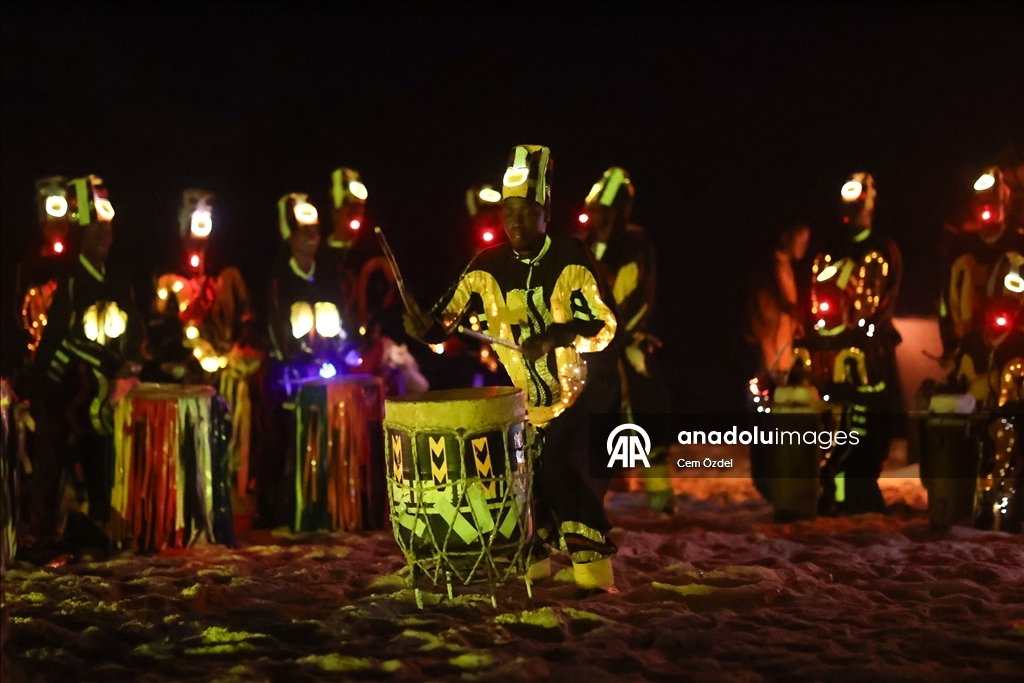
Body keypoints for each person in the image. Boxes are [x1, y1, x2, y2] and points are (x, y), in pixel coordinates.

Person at [405, 145, 621, 590]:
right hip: (530, 404)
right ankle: (535, 566)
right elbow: (446, 318)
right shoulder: (487, 267)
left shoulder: (571, 256)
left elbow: (604, 325)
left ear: (546, 213)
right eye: (509, 211)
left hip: (583, 394)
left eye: (527, 211)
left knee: (562, 466)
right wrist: (424, 326)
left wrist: (557, 336)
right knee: (525, 481)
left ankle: (595, 578)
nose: (517, 221)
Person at [18, 175, 144, 552]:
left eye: (107, 231)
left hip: (104, 395)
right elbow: (65, 339)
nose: (103, 237)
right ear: (80, 235)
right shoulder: (70, 281)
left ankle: (103, 524)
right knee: (52, 461)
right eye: (94, 232)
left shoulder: (119, 281)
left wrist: (131, 362)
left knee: (99, 458)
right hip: (65, 389)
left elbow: (134, 330)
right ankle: (42, 528)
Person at [797, 172, 902, 515]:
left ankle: (860, 492)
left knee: (869, 423)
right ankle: (830, 489)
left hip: (868, 349)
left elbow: (882, 299)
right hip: (829, 347)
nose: (851, 211)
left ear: (870, 204)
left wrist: (868, 331)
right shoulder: (829, 247)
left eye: (857, 204)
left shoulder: (882, 248)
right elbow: (815, 294)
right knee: (830, 420)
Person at [580, 167, 675, 513]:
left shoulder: (633, 243)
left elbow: (632, 295)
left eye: (601, 212)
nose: (594, 218)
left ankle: (661, 499)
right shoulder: (587, 245)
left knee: (646, 415)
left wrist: (615, 333)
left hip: (627, 347)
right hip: (593, 349)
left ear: (618, 211)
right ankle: (591, 496)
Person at [252, 192, 347, 528]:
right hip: (285, 373)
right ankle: (270, 507)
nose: (311, 238)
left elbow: (339, 317)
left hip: (322, 369)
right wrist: (291, 358)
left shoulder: (326, 274)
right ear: (289, 236)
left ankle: (320, 504)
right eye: (303, 232)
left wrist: (342, 348)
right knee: (278, 439)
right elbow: (277, 324)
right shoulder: (280, 278)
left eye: (315, 231)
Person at [746, 223, 811, 501]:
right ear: (787, 236)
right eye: (801, 239)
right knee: (766, 424)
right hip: (770, 363)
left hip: (778, 360)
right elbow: (767, 315)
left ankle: (772, 480)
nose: (804, 246)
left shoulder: (781, 269)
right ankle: (766, 481)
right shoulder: (772, 271)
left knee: (773, 425)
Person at [938, 167, 1024, 360]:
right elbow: (946, 299)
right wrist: (950, 344)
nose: (987, 210)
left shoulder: (1018, 247)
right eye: (982, 203)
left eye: (992, 203)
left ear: (1005, 205)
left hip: (1013, 349)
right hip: (967, 347)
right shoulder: (962, 249)